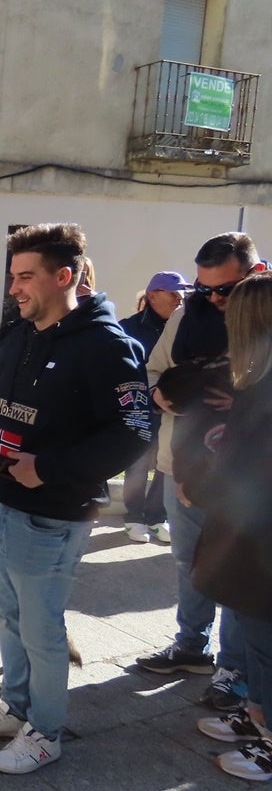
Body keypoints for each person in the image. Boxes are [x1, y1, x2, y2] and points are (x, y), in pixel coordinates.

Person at [0, 223, 150, 774]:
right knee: (6, 612)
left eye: (25, 277)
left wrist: (51, 468)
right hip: (4, 501)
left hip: (56, 512)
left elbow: (136, 429)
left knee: (41, 627)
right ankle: (16, 706)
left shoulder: (106, 344)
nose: (13, 289)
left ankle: (46, 730)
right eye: (12, 277)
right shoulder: (18, 333)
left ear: (65, 277)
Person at [136, 233, 265, 712]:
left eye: (223, 290)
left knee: (235, 574)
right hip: (180, 462)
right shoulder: (188, 315)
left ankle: (235, 669)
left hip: (241, 477)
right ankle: (192, 645)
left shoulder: (264, 317)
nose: (213, 299)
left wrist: (246, 404)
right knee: (188, 563)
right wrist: (161, 397)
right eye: (202, 288)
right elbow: (150, 372)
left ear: (252, 277)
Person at [191, 272, 272, 781]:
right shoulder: (258, 380)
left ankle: (268, 738)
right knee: (249, 629)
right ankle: (257, 713)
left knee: (264, 638)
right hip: (248, 535)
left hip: (260, 536)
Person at [117, 271, 186, 543]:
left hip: (170, 409)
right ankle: (133, 517)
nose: (179, 300)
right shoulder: (128, 327)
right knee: (137, 463)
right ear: (153, 295)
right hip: (138, 409)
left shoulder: (184, 325)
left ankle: (157, 517)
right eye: (174, 294)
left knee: (163, 465)